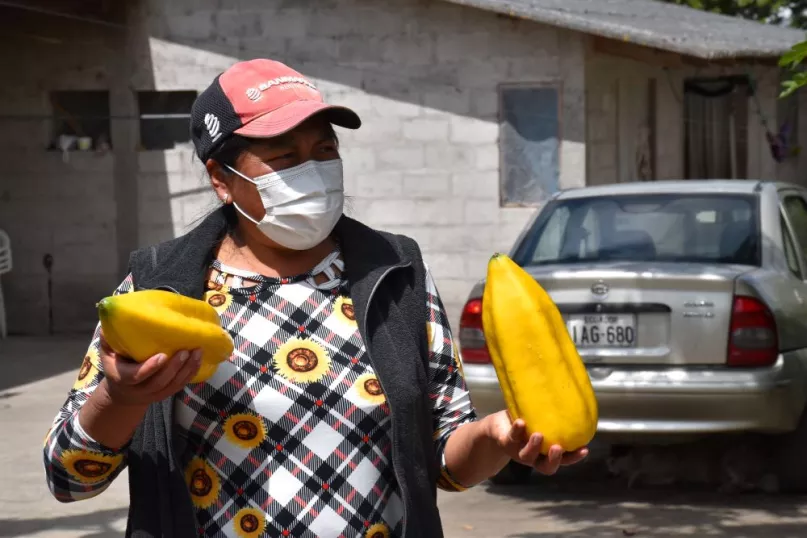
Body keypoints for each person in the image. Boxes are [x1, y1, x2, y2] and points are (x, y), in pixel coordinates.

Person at [43, 59, 588, 538]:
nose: (313, 171)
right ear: (221, 178)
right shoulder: (159, 287)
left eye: (324, 149)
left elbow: (444, 464)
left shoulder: (394, 275)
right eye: (284, 157)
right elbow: (67, 477)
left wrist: (496, 436)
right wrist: (122, 397)